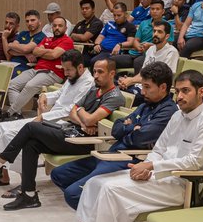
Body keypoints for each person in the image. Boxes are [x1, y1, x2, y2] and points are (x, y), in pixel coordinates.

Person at [43, 70, 203, 222]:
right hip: (157, 176)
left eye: (186, 91)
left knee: (111, 190)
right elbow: (159, 149)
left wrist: (152, 165)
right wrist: (147, 167)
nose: (180, 97)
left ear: (201, 92)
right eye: (178, 91)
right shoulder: (177, 115)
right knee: (95, 183)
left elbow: (194, 161)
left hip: (182, 184)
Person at [0, 59, 125, 211]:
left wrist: (81, 113)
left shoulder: (115, 96)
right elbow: (73, 112)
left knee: (31, 128)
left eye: (100, 72)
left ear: (112, 73)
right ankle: (29, 195)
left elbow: (88, 118)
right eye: (94, 71)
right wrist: (82, 121)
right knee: (31, 144)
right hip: (74, 131)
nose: (95, 75)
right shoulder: (94, 90)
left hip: (86, 141)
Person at [48, 62, 178, 209]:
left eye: (147, 87)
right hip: (112, 153)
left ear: (163, 87)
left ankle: (109, 216)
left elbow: (140, 138)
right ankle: (100, 210)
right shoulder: (144, 105)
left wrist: (127, 129)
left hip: (129, 159)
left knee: (73, 194)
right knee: (59, 174)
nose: (142, 92)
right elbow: (116, 128)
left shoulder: (168, 111)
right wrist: (131, 128)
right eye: (143, 86)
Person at [0, 50, 95, 189]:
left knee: (11, 134)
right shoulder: (73, 77)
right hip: (50, 118)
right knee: (0, 127)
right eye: (64, 69)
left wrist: (42, 117)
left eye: (68, 70)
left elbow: (70, 110)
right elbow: (59, 93)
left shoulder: (88, 84)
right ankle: (0, 175)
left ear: (81, 67)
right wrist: (44, 95)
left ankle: (24, 182)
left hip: (62, 123)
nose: (65, 73)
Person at [3, 15, 75, 117]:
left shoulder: (67, 41)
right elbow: (36, 51)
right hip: (37, 69)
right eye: (55, 26)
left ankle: (10, 112)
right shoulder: (47, 39)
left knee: (30, 86)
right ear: (52, 27)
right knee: (11, 85)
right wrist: (48, 51)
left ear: (65, 28)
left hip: (53, 73)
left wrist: (45, 51)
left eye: (60, 26)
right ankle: (17, 114)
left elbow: (53, 55)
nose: (57, 28)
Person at [119, 16, 179, 90]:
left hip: (154, 90)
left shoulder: (171, 52)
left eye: (159, 32)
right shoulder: (151, 49)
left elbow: (160, 79)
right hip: (141, 86)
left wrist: (131, 80)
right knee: (118, 86)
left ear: (167, 36)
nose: (155, 34)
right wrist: (129, 80)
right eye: (154, 31)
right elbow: (142, 73)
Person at [92, 3, 140, 68]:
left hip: (114, 53)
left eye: (119, 15)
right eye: (114, 15)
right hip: (101, 51)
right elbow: (100, 37)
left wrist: (120, 45)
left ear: (126, 14)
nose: (116, 18)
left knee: (95, 62)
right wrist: (96, 44)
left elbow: (130, 42)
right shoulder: (109, 24)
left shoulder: (130, 26)